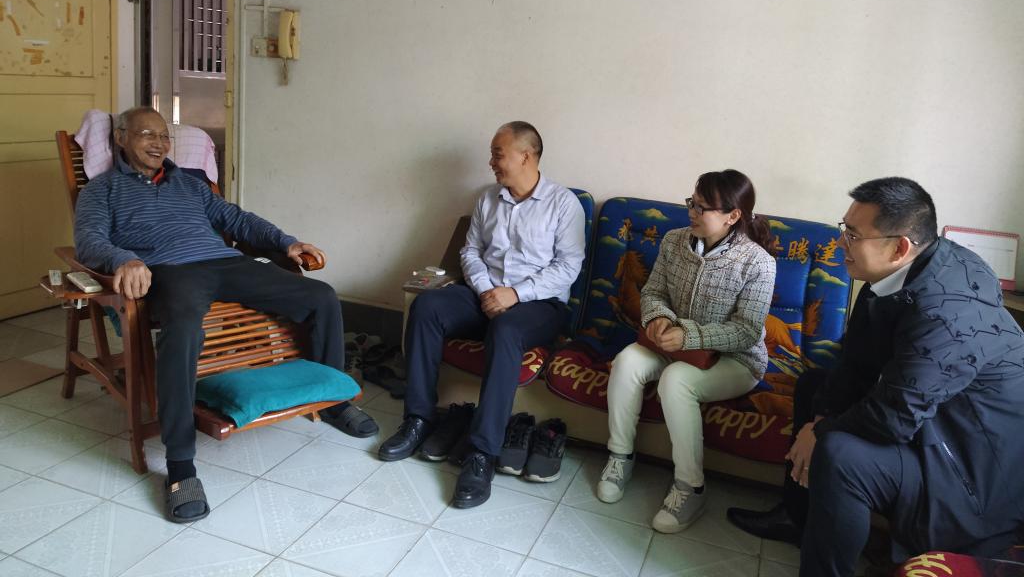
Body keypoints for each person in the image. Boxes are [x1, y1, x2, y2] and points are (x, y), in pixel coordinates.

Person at [74, 107, 377, 523]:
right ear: (121, 138)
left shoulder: (189, 184)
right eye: (147, 135)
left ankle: (334, 402)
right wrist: (122, 259)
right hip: (170, 271)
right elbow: (88, 240)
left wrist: (285, 242)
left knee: (321, 296)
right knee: (183, 328)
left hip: (225, 263)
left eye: (164, 136)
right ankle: (181, 465)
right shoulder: (102, 190)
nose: (159, 144)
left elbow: (236, 219)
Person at [726, 177, 1024, 577]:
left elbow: (896, 417)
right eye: (844, 228)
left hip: (968, 465)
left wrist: (823, 431)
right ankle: (798, 518)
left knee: (840, 454)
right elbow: (856, 359)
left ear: (899, 247)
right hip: (932, 420)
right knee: (814, 387)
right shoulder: (896, 272)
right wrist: (821, 416)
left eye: (852, 235)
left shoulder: (947, 311)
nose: (840, 243)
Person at [379, 121, 585, 508]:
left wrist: (515, 294)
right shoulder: (487, 199)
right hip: (484, 293)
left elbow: (568, 267)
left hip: (540, 305)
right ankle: (418, 419)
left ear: (526, 156)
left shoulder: (563, 204)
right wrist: (486, 289)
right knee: (427, 307)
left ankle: (482, 452)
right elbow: (470, 251)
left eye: (497, 154)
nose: (491, 162)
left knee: (506, 329)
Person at [597, 169, 776, 533]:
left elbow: (746, 331)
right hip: (672, 345)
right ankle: (620, 457)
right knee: (627, 361)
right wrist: (660, 318)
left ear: (733, 215)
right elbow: (653, 292)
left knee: (677, 380)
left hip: (736, 360)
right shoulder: (674, 240)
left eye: (702, 208)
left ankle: (690, 487)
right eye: (691, 203)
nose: (691, 212)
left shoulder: (758, 263)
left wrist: (688, 336)